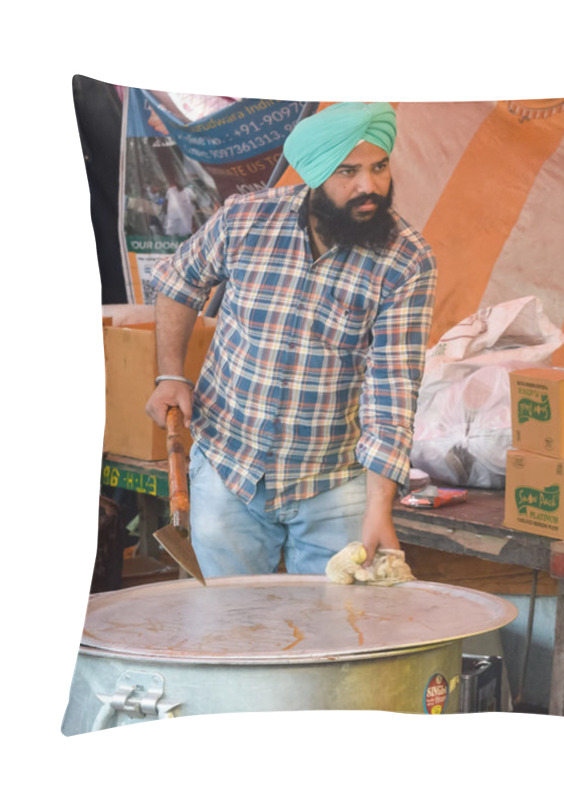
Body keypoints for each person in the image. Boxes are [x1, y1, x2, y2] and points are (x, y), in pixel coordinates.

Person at [145, 102, 437, 578]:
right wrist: (170, 374)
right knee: (233, 631)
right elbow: (178, 282)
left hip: (332, 483)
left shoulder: (406, 260)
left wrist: (379, 507)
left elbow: (393, 389)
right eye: (349, 171)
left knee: (329, 640)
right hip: (228, 467)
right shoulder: (245, 220)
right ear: (315, 174)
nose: (369, 186)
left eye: (379, 166)